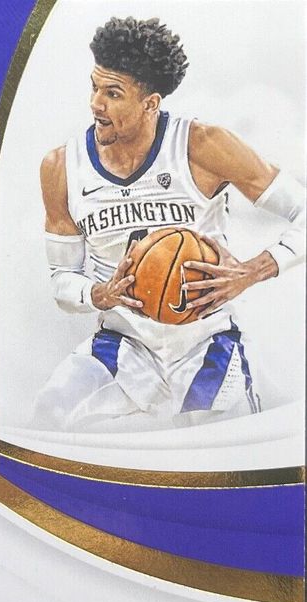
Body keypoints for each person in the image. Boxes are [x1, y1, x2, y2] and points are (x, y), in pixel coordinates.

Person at [35, 16, 304, 432]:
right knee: (49, 414)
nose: (95, 104)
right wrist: (97, 293)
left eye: (112, 93)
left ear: (150, 103)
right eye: (94, 87)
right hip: (122, 342)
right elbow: (61, 279)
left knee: (217, 449)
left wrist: (252, 271)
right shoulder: (61, 167)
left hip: (205, 340)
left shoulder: (203, 146)